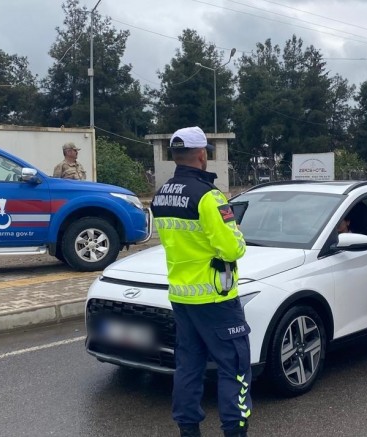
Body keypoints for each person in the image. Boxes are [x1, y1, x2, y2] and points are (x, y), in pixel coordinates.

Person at [150, 126, 250, 437]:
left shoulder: (161, 194)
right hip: (216, 298)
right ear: (202, 155)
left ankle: (188, 429)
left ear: (174, 155)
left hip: (182, 296)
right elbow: (233, 247)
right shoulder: (209, 196)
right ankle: (235, 430)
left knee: (188, 367)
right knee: (234, 367)